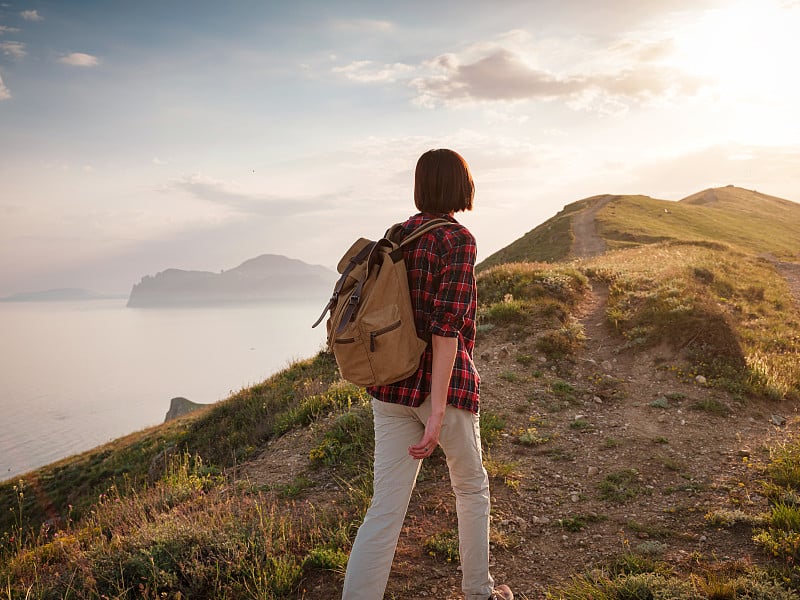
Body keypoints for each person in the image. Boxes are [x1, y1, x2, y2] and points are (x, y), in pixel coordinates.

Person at [341, 149, 513, 600]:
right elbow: (445, 330)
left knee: (384, 510)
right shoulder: (458, 241)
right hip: (441, 391)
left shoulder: (396, 236)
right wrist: (436, 413)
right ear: (461, 185)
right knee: (471, 488)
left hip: (389, 389)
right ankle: (479, 593)